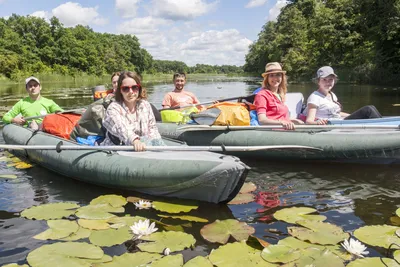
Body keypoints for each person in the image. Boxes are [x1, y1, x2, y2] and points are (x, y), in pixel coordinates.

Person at [100, 71, 164, 151]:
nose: (131, 92)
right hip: (117, 149)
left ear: (139, 88)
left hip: (144, 146)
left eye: (134, 87)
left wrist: (158, 144)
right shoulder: (113, 108)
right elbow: (122, 128)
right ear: (120, 90)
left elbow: (152, 128)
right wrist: (135, 141)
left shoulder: (145, 105)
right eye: (125, 88)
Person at [304, 66, 382, 124]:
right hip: (334, 125)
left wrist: (354, 115)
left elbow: (336, 113)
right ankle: (384, 128)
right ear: (318, 81)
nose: (328, 82)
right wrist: (317, 122)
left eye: (330, 79)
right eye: (324, 79)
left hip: (340, 122)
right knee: (368, 110)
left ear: (334, 81)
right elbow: (309, 121)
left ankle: (383, 126)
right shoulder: (314, 98)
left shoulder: (332, 95)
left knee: (371, 108)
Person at [254, 62, 304, 130]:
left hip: (283, 129)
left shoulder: (280, 95)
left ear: (282, 77)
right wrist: (281, 123)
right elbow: (262, 120)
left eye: (278, 75)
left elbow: (279, 117)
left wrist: (292, 121)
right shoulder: (262, 95)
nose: (275, 78)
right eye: (271, 75)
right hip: (272, 132)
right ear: (267, 78)